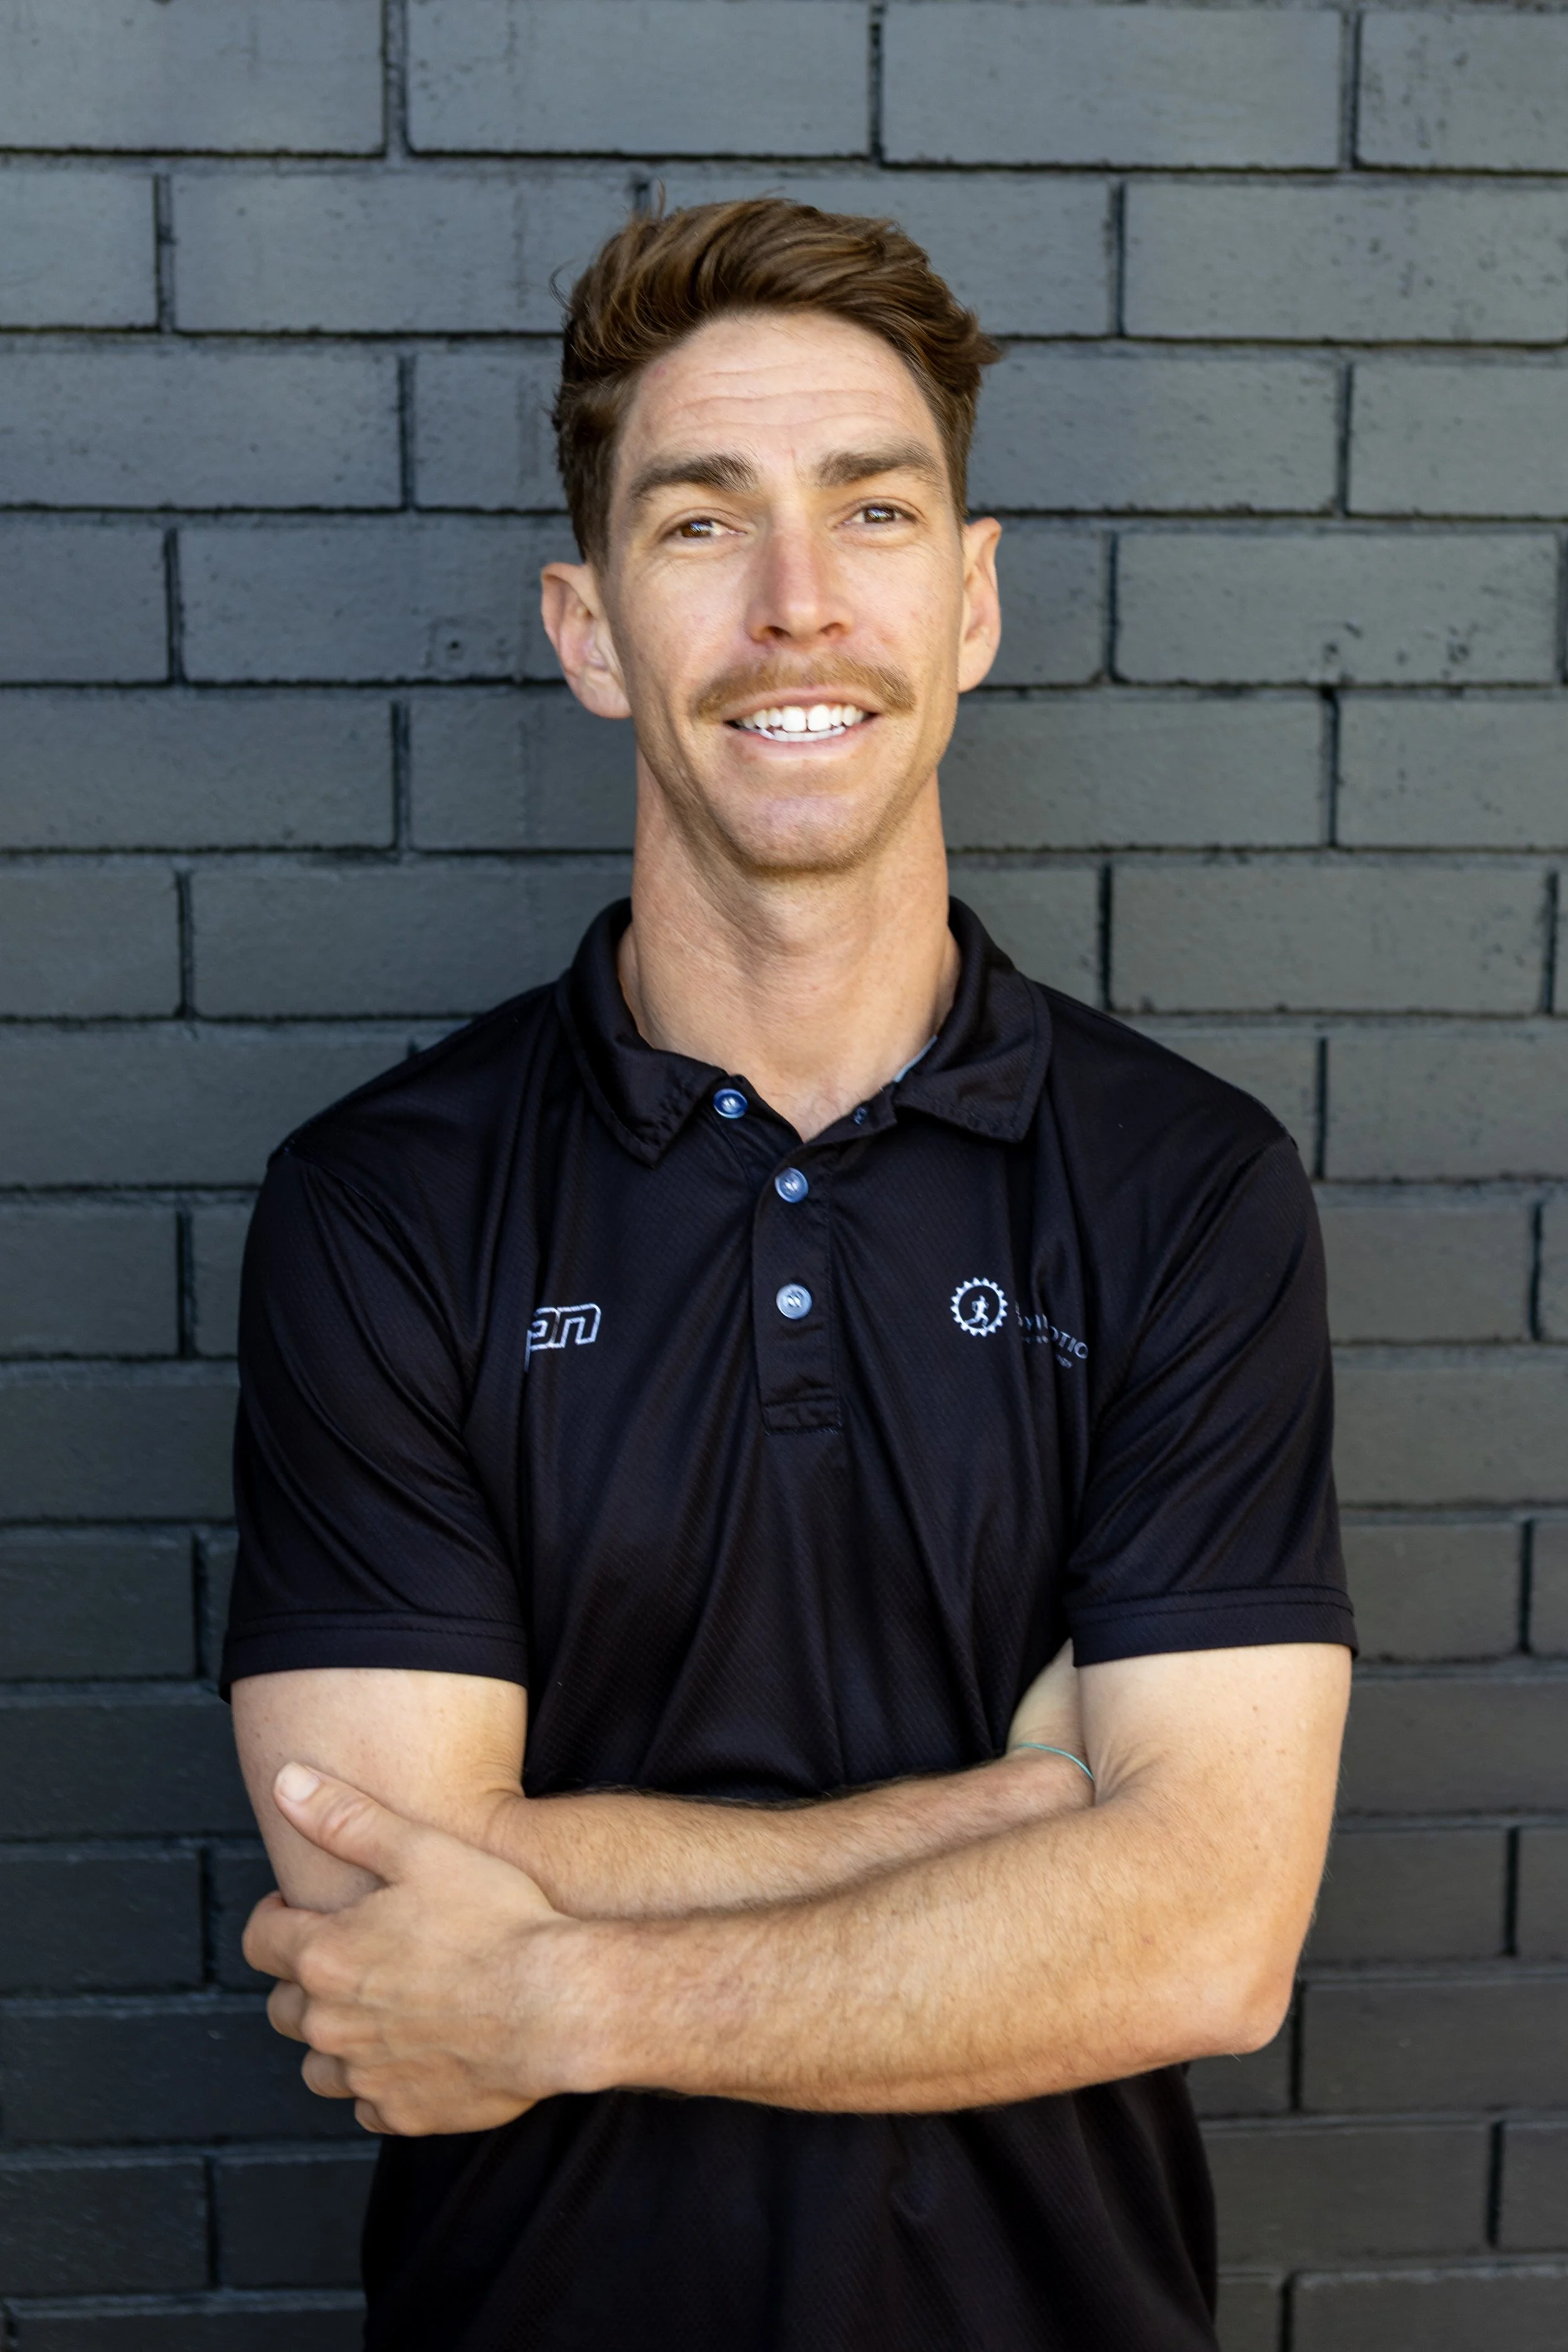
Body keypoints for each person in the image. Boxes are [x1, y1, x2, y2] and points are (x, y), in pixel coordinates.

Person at [226, 197, 1355, 2352]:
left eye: (871, 509)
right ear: (585, 628)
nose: (796, 604)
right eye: (696, 524)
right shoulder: (383, 1202)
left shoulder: (1184, 1186)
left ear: (973, 598)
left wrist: (560, 1977)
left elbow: (1209, 1936)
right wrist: (1032, 1822)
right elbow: (380, 1887)